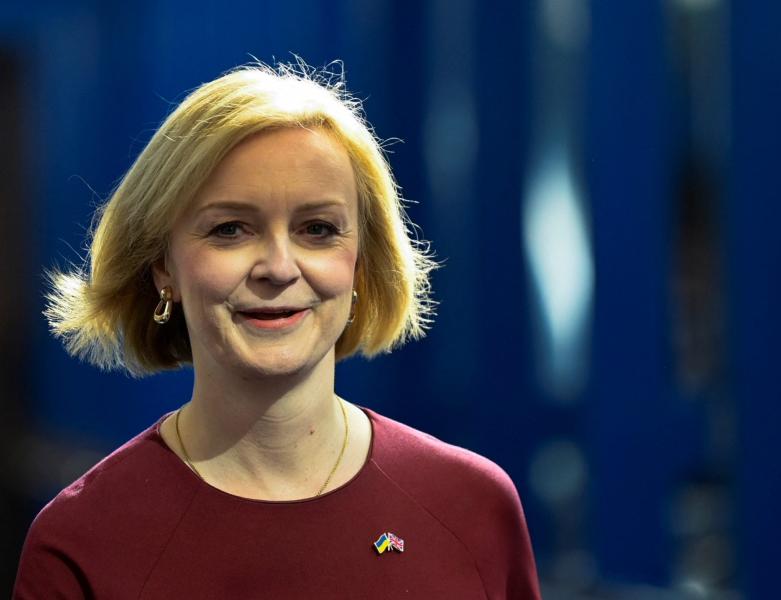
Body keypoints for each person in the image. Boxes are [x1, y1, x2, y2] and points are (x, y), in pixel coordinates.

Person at [14, 61, 541, 599]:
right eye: (230, 229)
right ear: (163, 266)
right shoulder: (83, 540)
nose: (279, 267)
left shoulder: (472, 506)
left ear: (362, 262)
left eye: (317, 229)